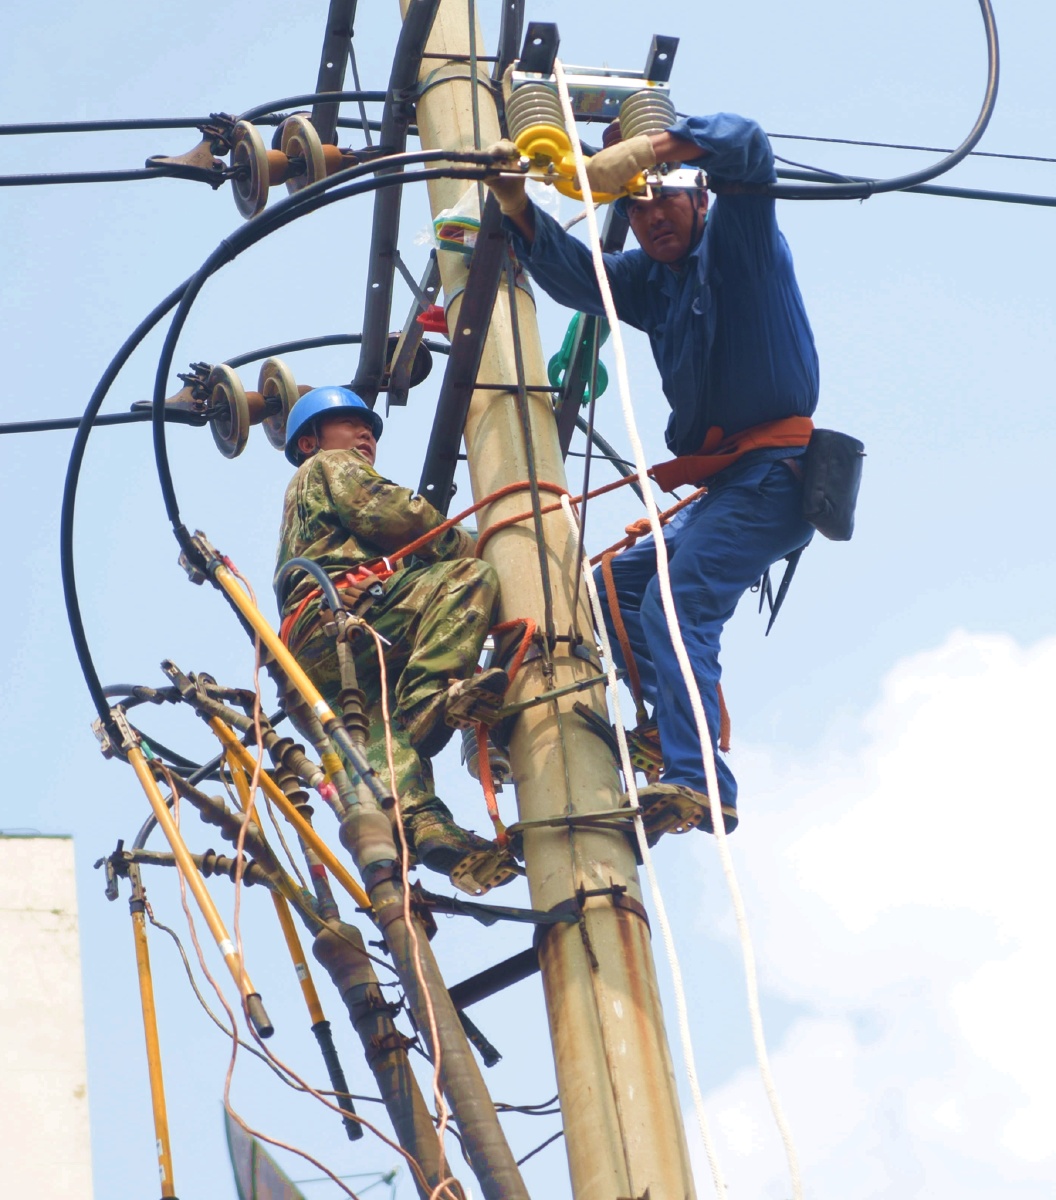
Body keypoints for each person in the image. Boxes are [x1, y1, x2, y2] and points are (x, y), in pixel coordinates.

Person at [484, 112, 819, 842]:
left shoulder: (739, 247)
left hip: (777, 475)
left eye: (662, 196)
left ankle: (698, 782)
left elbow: (749, 144)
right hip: (731, 487)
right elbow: (578, 277)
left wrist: (645, 150)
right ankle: (667, 730)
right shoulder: (652, 282)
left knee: (675, 604)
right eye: (633, 205)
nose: (649, 215)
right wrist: (517, 206)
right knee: (612, 590)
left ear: (701, 198)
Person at [274, 386, 514, 893]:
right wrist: (479, 545)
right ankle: (431, 695)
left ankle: (424, 830)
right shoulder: (327, 465)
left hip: (305, 659)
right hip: (348, 615)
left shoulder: (303, 501)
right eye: (347, 423)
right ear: (308, 442)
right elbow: (388, 512)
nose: (364, 434)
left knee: (385, 743)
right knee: (467, 578)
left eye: (370, 429)